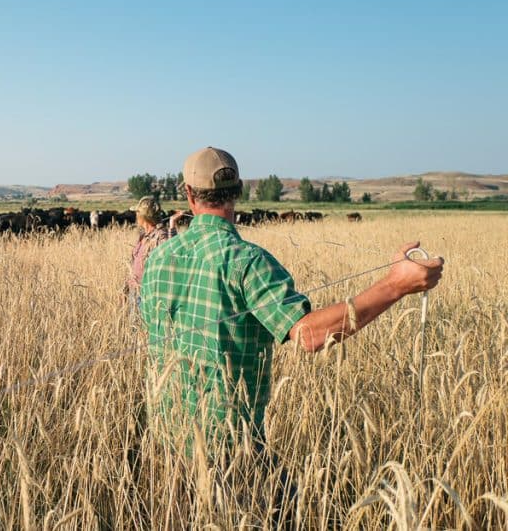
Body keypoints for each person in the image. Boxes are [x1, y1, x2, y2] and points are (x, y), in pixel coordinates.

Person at [140, 147, 444, 453]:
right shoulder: (248, 262)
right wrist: (395, 286)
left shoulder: (158, 258)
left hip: (166, 437)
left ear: (189, 194)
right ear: (239, 191)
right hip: (229, 445)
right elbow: (309, 336)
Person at [123, 196, 182, 309]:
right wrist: (126, 288)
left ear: (142, 216)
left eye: (137, 213)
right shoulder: (143, 236)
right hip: (134, 291)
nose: (135, 216)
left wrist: (172, 225)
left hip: (147, 294)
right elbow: (134, 265)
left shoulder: (160, 235)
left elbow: (173, 254)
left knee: (143, 325)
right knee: (133, 325)